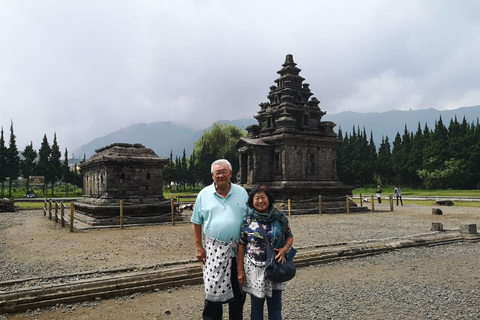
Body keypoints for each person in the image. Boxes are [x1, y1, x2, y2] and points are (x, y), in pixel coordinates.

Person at [191, 159, 249, 320]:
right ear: (212, 175)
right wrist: (198, 246)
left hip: (238, 252)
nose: (221, 175)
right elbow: (196, 222)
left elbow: (251, 218)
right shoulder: (204, 194)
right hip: (213, 252)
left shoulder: (241, 193)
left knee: (238, 292)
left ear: (231, 173)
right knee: (212, 290)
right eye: (218, 173)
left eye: (224, 172)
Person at [237, 185, 294, 320]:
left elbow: (289, 235)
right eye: (257, 198)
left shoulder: (279, 218)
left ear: (269, 199)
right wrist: (240, 270)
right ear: (252, 201)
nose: (260, 201)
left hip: (275, 266)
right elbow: (241, 245)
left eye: (263, 197)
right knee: (256, 308)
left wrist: (285, 248)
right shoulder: (247, 221)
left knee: (275, 307)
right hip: (254, 268)